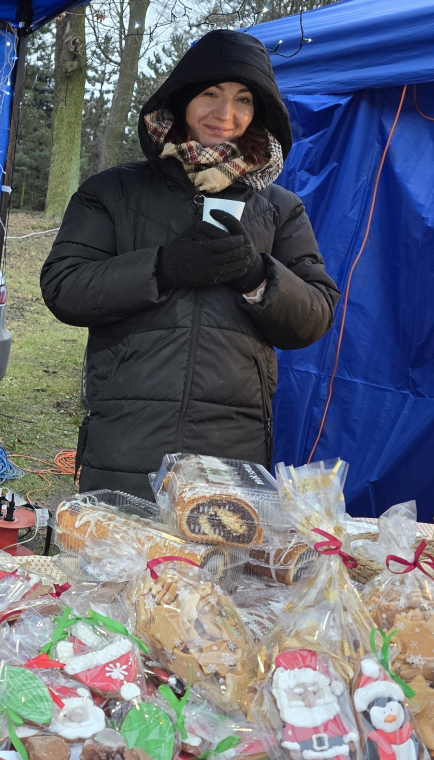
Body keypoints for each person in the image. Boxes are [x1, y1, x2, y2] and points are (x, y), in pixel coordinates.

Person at [40, 29, 340, 499]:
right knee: (113, 569)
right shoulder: (113, 192)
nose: (226, 115)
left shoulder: (280, 208)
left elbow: (317, 313)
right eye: (211, 94)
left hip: (232, 449)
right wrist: (161, 268)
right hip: (127, 440)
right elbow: (64, 286)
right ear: (181, 99)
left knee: (216, 572)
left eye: (243, 100)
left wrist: (258, 277)